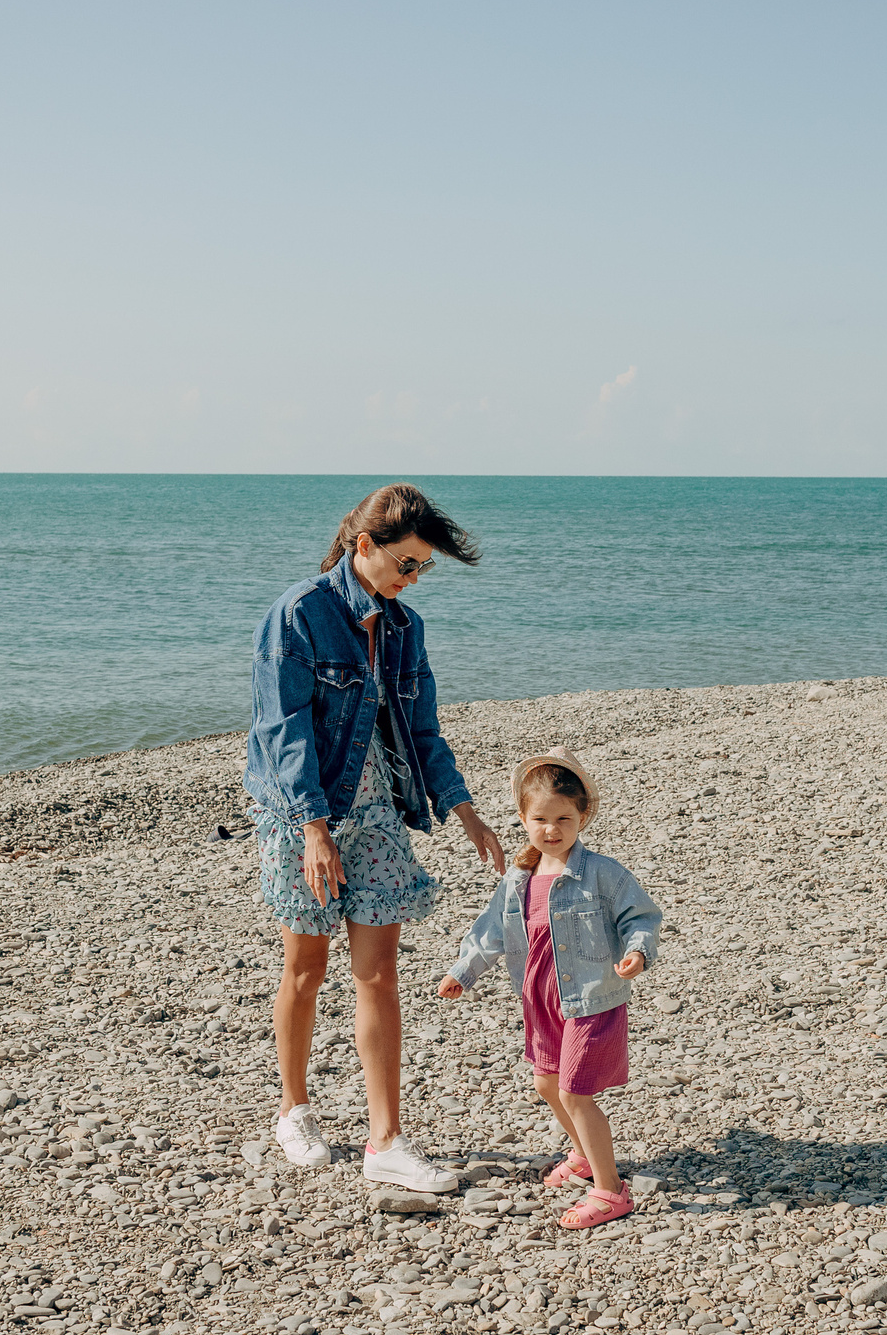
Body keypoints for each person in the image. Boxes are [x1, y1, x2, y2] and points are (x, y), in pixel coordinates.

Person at [244, 483, 508, 1189]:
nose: (411, 578)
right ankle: (293, 1108)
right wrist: (313, 828)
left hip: (380, 815)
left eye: (422, 568)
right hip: (303, 815)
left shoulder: (404, 627)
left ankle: (385, 1140)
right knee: (306, 967)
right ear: (365, 545)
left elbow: (423, 729)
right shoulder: (299, 614)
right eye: (407, 563)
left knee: (379, 971)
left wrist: (464, 810)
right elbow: (283, 731)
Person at [436, 747, 660, 1230]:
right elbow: (492, 930)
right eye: (541, 818)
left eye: (564, 817)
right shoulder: (519, 878)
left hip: (589, 997)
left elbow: (640, 916)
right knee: (545, 1083)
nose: (552, 829)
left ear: (583, 816)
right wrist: (463, 972)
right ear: (522, 817)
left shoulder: (602, 873)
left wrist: (638, 952)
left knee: (575, 1091)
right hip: (541, 998)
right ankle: (581, 1155)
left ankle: (610, 1189)